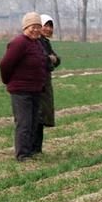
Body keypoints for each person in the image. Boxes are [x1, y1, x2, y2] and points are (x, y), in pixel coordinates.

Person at [0, 12, 48, 161]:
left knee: (33, 121)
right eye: (33, 27)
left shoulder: (36, 43)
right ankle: (22, 154)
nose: (36, 30)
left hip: (35, 89)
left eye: (38, 27)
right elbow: (5, 64)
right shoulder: (19, 43)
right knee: (24, 122)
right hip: (21, 90)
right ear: (25, 27)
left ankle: (30, 151)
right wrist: (9, 82)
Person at [32, 14, 61, 154]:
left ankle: (37, 150)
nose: (49, 29)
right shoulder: (36, 42)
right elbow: (45, 61)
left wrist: (52, 59)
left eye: (51, 26)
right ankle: (31, 150)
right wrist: (51, 60)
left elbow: (57, 60)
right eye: (46, 25)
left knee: (41, 118)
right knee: (36, 118)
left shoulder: (45, 42)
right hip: (38, 84)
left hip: (45, 85)